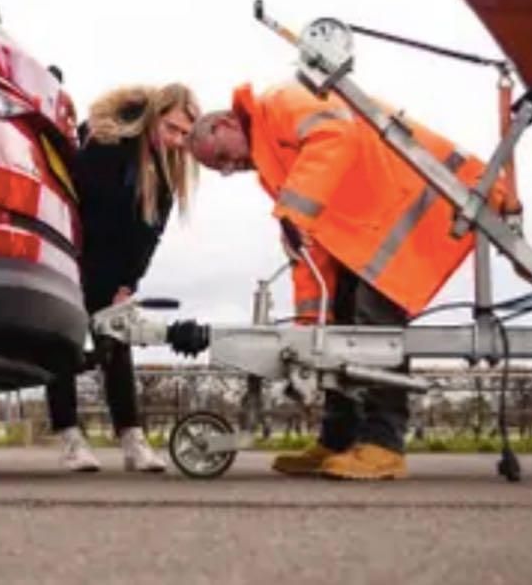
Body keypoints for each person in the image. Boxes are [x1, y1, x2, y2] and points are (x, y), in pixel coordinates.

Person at [187, 80, 507, 480]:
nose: (231, 169)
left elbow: (334, 133)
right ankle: (339, 439)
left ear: (225, 123)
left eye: (222, 158)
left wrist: (293, 214)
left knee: (374, 330)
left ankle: (383, 445)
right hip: (379, 227)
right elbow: (310, 249)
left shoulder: (279, 104)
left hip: (426, 203)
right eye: (222, 170)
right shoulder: (272, 159)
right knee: (338, 328)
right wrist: (309, 332)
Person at [49, 83, 199, 472]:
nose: (177, 140)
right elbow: (80, 201)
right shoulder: (105, 145)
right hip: (73, 257)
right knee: (62, 344)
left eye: (184, 133)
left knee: (117, 346)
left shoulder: (169, 171)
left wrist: (129, 283)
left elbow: (150, 233)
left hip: (114, 270)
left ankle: (132, 439)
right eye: (171, 128)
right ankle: (69, 437)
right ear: (152, 117)